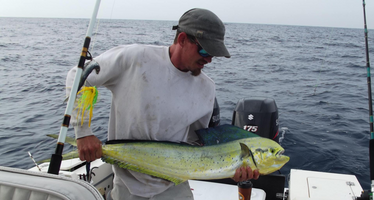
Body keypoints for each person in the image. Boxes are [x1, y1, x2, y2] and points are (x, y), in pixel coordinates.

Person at [66, 8, 259, 200]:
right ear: (182, 39)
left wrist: (230, 167)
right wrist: (83, 131)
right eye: (204, 50)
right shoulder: (135, 58)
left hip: (173, 185)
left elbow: (195, 144)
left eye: (213, 54)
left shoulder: (207, 88)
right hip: (127, 184)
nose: (208, 59)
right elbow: (78, 77)